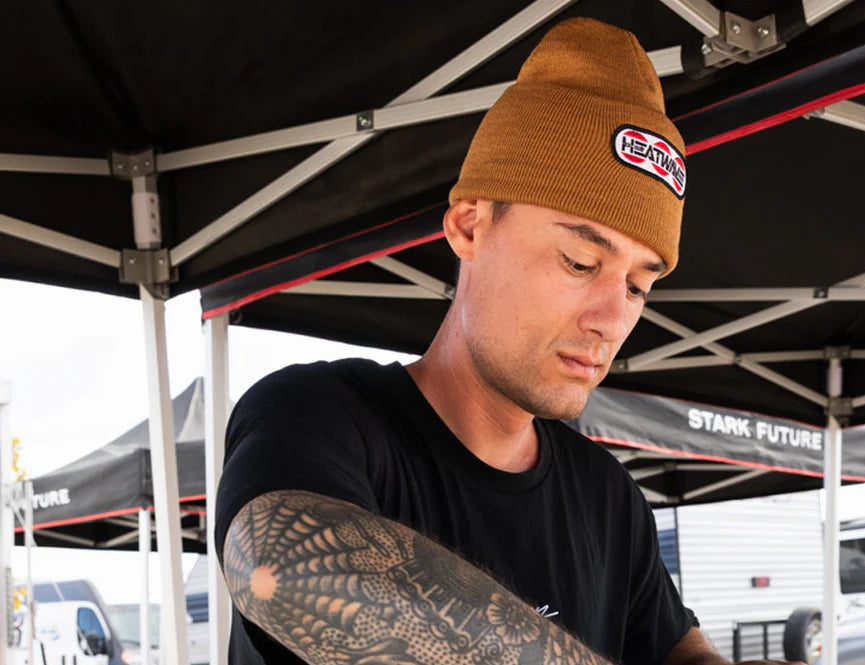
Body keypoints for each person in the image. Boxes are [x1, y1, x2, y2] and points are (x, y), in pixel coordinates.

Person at [215, 17, 802, 665]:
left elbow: (677, 654)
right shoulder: (320, 414)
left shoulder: (607, 497)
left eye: (639, 285)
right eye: (580, 261)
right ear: (470, 226)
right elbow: (282, 570)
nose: (613, 319)